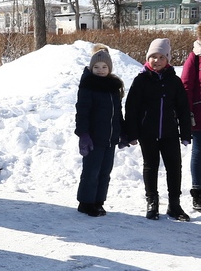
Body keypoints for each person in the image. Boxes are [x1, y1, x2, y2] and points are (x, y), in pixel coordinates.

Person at [125, 38, 192, 221]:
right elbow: (131, 109)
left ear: (167, 59)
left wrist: (185, 133)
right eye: (154, 56)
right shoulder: (141, 80)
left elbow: (183, 108)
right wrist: (132, 133)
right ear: (148, 58)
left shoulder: (174, 81)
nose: (157, 60)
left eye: (162, 57)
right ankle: (152, 202)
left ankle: (174, 204)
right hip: (147, 132)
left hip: (169, 132)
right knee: (150, 166)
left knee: (174, 167)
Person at [74, 45, 126, 217]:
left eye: (104, 67)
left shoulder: (113, 87)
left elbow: (117, 113)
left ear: (109, 68)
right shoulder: (88, 85)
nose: (100, 70)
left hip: (110, 138)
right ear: (91, 68)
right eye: (96, 67)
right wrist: (83, 134)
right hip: (93, 138)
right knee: (91, 171)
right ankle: (86, 203)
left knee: (105, 172)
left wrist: (122, 132)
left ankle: (98, 201)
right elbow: (82, 111)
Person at [179, 22, 201, 211]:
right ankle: (198, 191)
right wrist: (188, 112)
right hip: (199, 114)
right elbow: (186, 86)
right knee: (199, 151)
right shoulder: (195, 57)